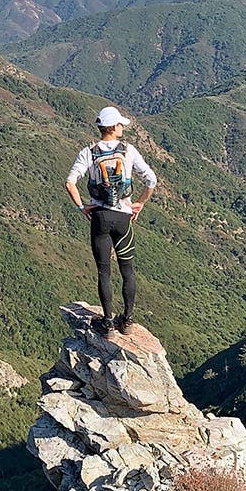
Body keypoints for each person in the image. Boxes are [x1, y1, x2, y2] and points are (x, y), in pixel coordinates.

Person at [63, 106, 159, 335]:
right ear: (114, 127)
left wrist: (82, 208)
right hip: (124, 218)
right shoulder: (129, 151)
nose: (122, 128)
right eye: (120, 125)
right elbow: (151, 179)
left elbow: (70, 182)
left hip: (100, 218)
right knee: (127, 270)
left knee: (104, 272)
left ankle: (107, 323)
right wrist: (140, 203)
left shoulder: (89, 152)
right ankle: (127, 320)